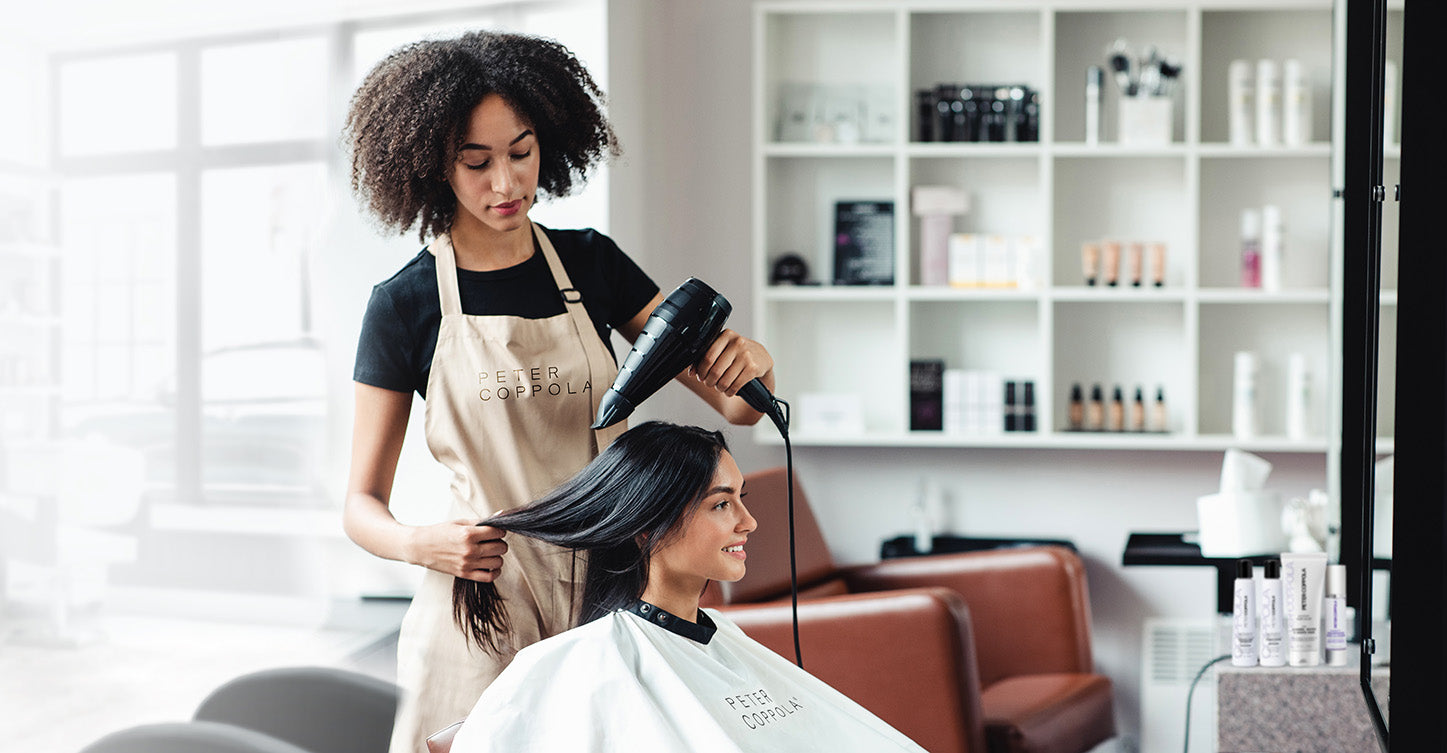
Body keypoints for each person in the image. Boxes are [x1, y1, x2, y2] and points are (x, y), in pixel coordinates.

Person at [339, 31, 776, 753]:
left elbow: (735, 403)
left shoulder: (592, 265)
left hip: (608, 589)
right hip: (480, 600)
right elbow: (359, 506)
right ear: (432, 167)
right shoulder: (405, 303)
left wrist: (751, 355)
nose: (505, 184)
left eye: (521, 152)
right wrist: (424, 544)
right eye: (475, 163)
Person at [447, 422, 928, 752]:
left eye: (742, 499)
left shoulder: (723, 638)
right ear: (645, 524)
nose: (749, 522)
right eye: (721, 505)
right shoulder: (580, 663)